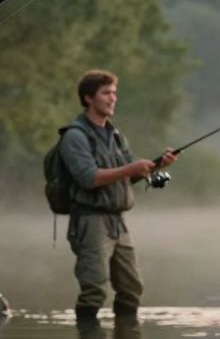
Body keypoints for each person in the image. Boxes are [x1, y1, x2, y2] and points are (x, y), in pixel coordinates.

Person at [58, 70, 176, 322]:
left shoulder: (116, 136)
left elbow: (127, 176)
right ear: (89, 98)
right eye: (106, 93)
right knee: (94, 291)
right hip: (90, 221)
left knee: (132, 289)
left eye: (114, 93)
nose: (113, 98)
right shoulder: (74, 137)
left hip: (118, 222)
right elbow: (88, 178)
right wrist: (132, 168)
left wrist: (158, 165)